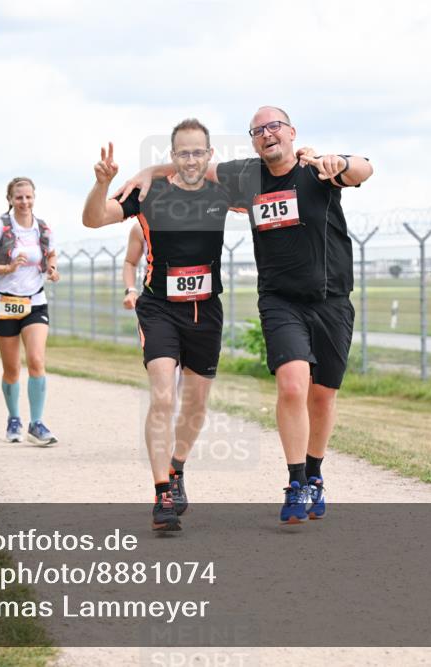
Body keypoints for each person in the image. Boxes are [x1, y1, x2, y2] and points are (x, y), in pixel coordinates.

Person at [115, 106, 374, 523]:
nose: (267, 133)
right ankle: (295, 483)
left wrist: (341, 162)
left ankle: (314, 473)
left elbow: (364, 169)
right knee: (292, 386)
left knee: (322, 397)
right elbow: (195, 164)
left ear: (291, 132)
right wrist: (150, 171)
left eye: (275, 126)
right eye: (258, 130)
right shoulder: (247, 176)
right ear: (253, 140)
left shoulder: (316, 171)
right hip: (279, 300)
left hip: (331, 300)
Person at [84, 121, 234, 531]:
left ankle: (177, 467)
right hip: (159, 309)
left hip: (206, 310)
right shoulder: (147, 192)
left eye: (197, 152)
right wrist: (102, 185)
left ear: (208, 155)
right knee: (164, 397)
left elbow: (270, 179)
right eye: (182, 153)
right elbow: (94, 220)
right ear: (172, 156)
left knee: (196, 404)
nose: (190, 160)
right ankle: (162, 492)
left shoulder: (222, 190)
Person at [0, 177, 60, 446]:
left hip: (34, 301)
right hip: (4, 303)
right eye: (19, 197)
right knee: (12, 368)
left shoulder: (43, 228)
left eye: (28, 197)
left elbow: (51, 255)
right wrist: (6, 269)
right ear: (10, 199)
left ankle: (37, 423)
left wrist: (53, 268)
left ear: (35, 197)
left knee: (36, 360)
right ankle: (14, 418)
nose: (24, 202)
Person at [121, 222, 145, 311]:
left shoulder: (191, 224)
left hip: (190, 303)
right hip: (155, 302)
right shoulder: (140, 228)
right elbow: (130, 262)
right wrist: (131, 291)